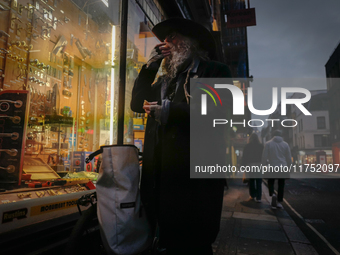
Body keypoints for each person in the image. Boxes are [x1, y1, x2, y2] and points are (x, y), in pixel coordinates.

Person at [131, 18, 232, 255]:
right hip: (161, 182)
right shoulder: (166, 81)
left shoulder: (214, 71)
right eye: (163, 40)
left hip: (194, 186)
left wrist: (170, 111)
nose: (165, 43)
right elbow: (137, 103)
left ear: (190, 43)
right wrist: (152, 64)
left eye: (172, 37)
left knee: (193, 244)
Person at [262, 129, 292, 209]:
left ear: (273, 135)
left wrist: (262, 166)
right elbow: (288, 158)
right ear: (281, 135)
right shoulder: (285, 144)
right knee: (281, 184)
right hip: (283, 166)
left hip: (272, 166)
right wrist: (289, 167)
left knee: (270, 181)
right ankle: (279, 202)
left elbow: (264, 157)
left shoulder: (268, 144)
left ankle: (273, 194)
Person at [242, 133, 264, 202]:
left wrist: (243, 165)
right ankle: (259, 197)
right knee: (258, 181)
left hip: (250, 164)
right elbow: (263, 156)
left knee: (251, 181)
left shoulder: (247, 146)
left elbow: (244, 156)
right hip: (258, 164)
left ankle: (252, 195)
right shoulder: (261, 146)